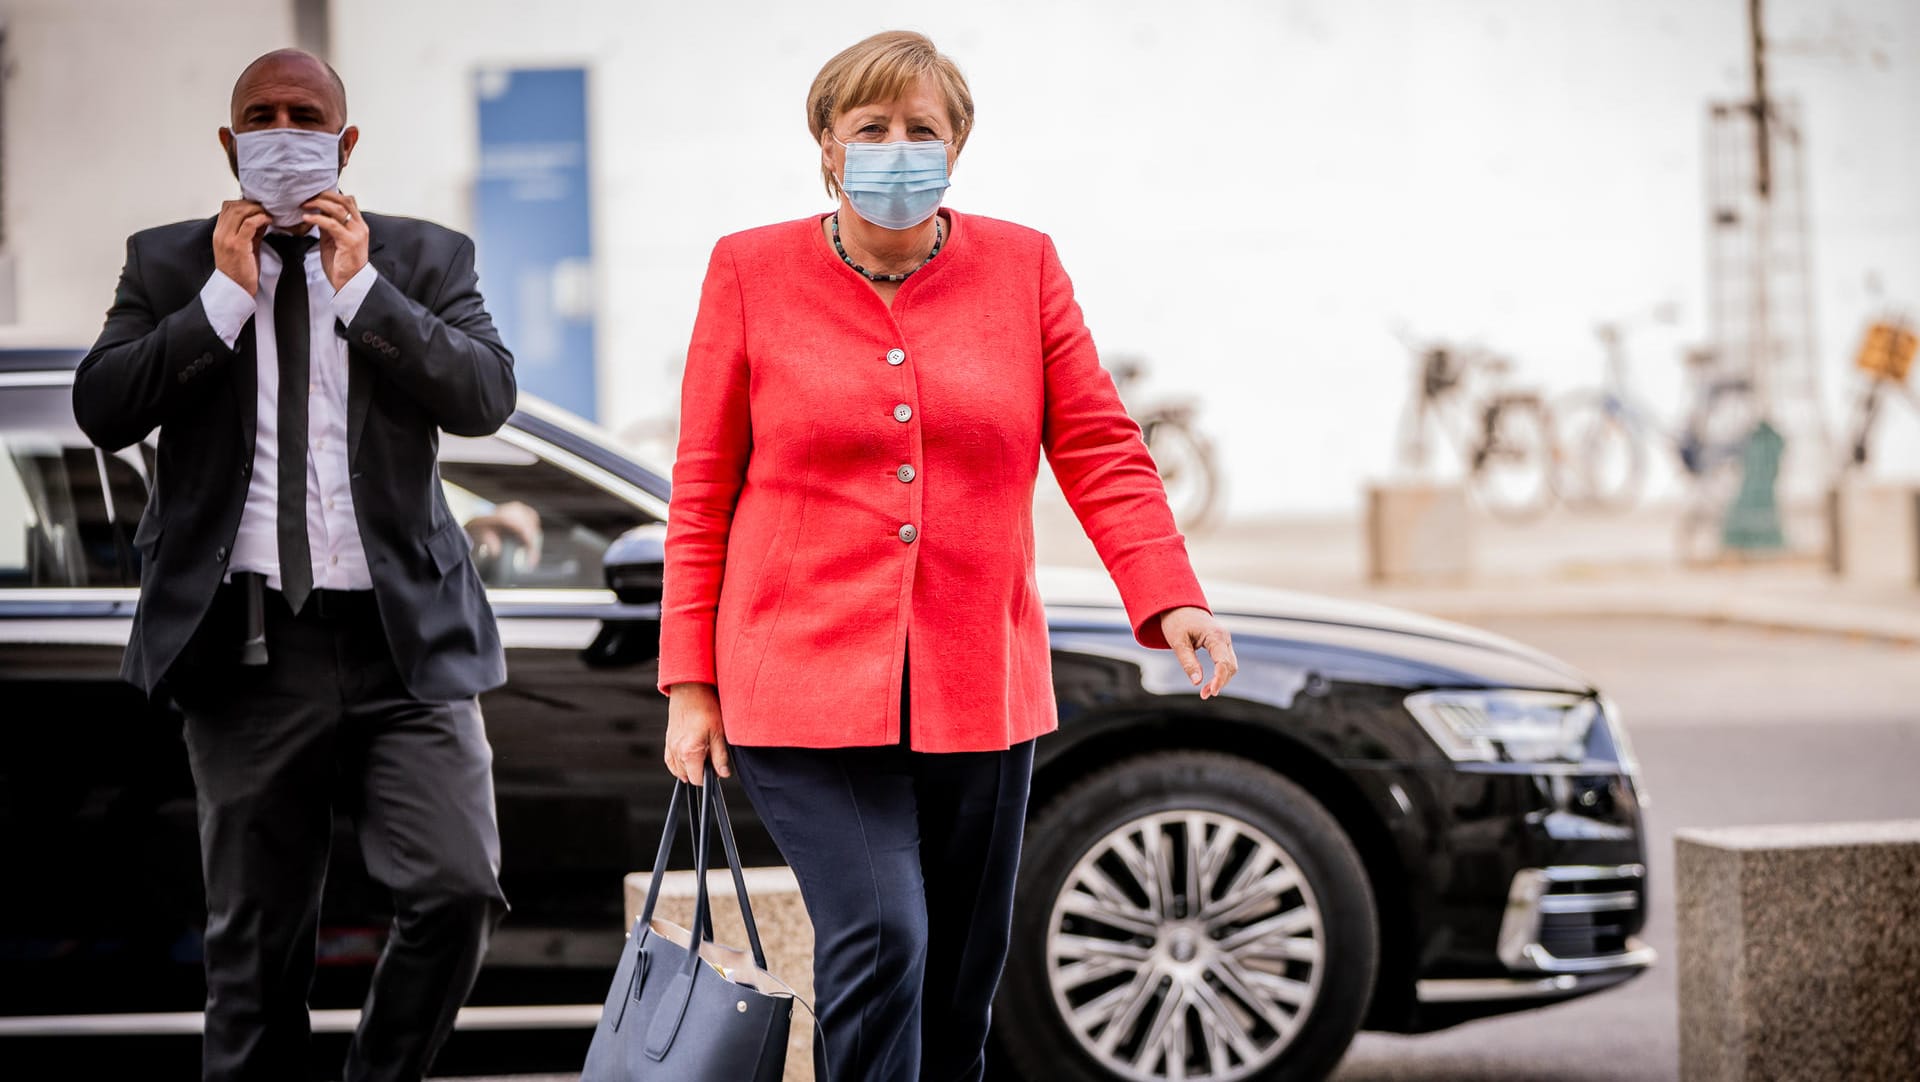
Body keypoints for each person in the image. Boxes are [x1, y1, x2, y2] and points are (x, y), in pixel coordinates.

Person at [657, 30, 1239, 1082]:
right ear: (828, 148)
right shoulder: (747, 270)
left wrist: (1169, 591)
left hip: (979, 678)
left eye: (921, 128)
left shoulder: (1024, 266)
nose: (896, 147)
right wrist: (690, 681)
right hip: (797, 680)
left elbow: (1102, 443)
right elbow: (702, 489)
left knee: (962, 976)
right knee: (885, 935)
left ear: (957, 148)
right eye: (870, 127)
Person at [71, 48, 516, 1082]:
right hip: (246, 644)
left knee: (457, 889)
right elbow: (104, 405)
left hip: (405, 642)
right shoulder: (167, 262)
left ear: (344, 141)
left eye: (303, 114)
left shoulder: (427, 256)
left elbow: (487, 397)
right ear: (230, 144)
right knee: (256, 947)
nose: (281, 130)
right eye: (259, 117)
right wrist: (221, 303)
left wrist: (365, 293)